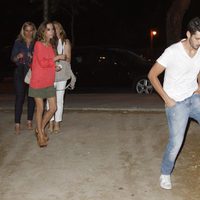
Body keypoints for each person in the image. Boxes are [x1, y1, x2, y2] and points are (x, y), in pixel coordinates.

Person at [148, 17, 200, 190]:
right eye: (197, 38)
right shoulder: (172, 51)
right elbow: (152, 75)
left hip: (194, 98)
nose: (199, 42)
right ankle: (165, 173)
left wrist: (199, 86)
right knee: (176, 142)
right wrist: (167, 99)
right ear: (188, 34)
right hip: (176, 102)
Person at [28, 21, 65, 147]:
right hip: (38, 81)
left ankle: (40, 128)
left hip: (49, 81)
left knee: (53, 108)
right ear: (43, 31)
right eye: (49, 29)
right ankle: (40, 135)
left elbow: (47, 63)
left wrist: (55, 67)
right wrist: (57, 58)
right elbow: (42, 63)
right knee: (40, 109)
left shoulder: (51, 45)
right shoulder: (38, 44)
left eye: (52, 29)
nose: (52, 31)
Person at [47, 21, 75, 134]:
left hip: (62, 73)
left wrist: (59, 58)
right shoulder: (48, 42)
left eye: (57, 28)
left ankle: (57, 122)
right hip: (50, 72)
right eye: (53, 28)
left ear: (61, 29)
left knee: (59, 99)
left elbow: (68, 59)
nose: (55, 30)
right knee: (49, 98)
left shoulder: (65, 41)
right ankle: (50, 121)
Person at [11, 21, 37, 134]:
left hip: (32, 72)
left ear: (34, 31)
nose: (29, 33)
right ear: (23, 31)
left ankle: (29, 121)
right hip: (20, 72)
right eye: (27, 30)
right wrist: (18, 56)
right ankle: (17, 123)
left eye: (31, 30)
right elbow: (12, 58)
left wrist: (33, 57)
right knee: (20, 97)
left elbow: (40, 59)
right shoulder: (18, 42)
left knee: (31, 97)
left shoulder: (37, 42)